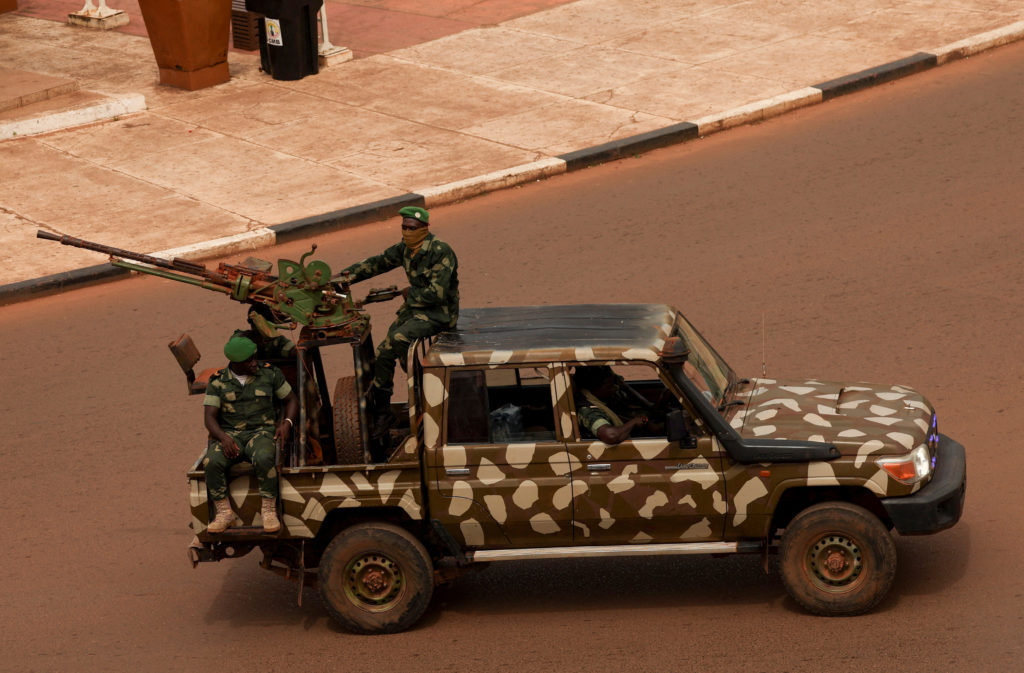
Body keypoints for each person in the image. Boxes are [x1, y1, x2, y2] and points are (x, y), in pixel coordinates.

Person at [337, 206, 459, 436]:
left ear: (424, 228)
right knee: (384, 352)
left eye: (412, 228)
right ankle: (384, 412)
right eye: (403, 227)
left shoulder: (440, 251)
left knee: (399, 338)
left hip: (439, 313)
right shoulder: (405, 249)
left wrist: (407, 293)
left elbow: (438, 294)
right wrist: (344, 277)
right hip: (415, 310)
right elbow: (378, 263)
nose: (407, 232)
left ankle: (425, 393)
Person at [203, 335, 299, 534]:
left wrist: (287, 423)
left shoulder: (270, 374)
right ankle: (224, 513)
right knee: (211, 461)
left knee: (265, 457)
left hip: (262, 432)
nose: (255, 362)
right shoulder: (218, 382)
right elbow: (209, 418)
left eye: (255, 357)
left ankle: (269, 510)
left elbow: (291, 400)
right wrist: (223, 437)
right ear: (236, 363)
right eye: (249, 361)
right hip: (232, 436)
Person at [573, 366, 657, 445]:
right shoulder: (588, 411)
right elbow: (611, 435)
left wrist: (643, 420)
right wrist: (634, 421)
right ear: (595, 389)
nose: (615, 388)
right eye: (610, 386)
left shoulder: (602, 400)